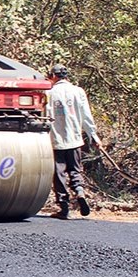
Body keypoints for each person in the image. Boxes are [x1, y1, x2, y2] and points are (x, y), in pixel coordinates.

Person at [46, 64, 102, 219]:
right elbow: (86, 116)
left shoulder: (48, 93)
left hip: (55, 141)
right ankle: (79, 191)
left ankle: (64, 207)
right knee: (75, 170)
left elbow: (45, 116)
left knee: (59, 174)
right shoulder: (78, 91)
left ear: (53, 76)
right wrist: (93, 136)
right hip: (75, 140)